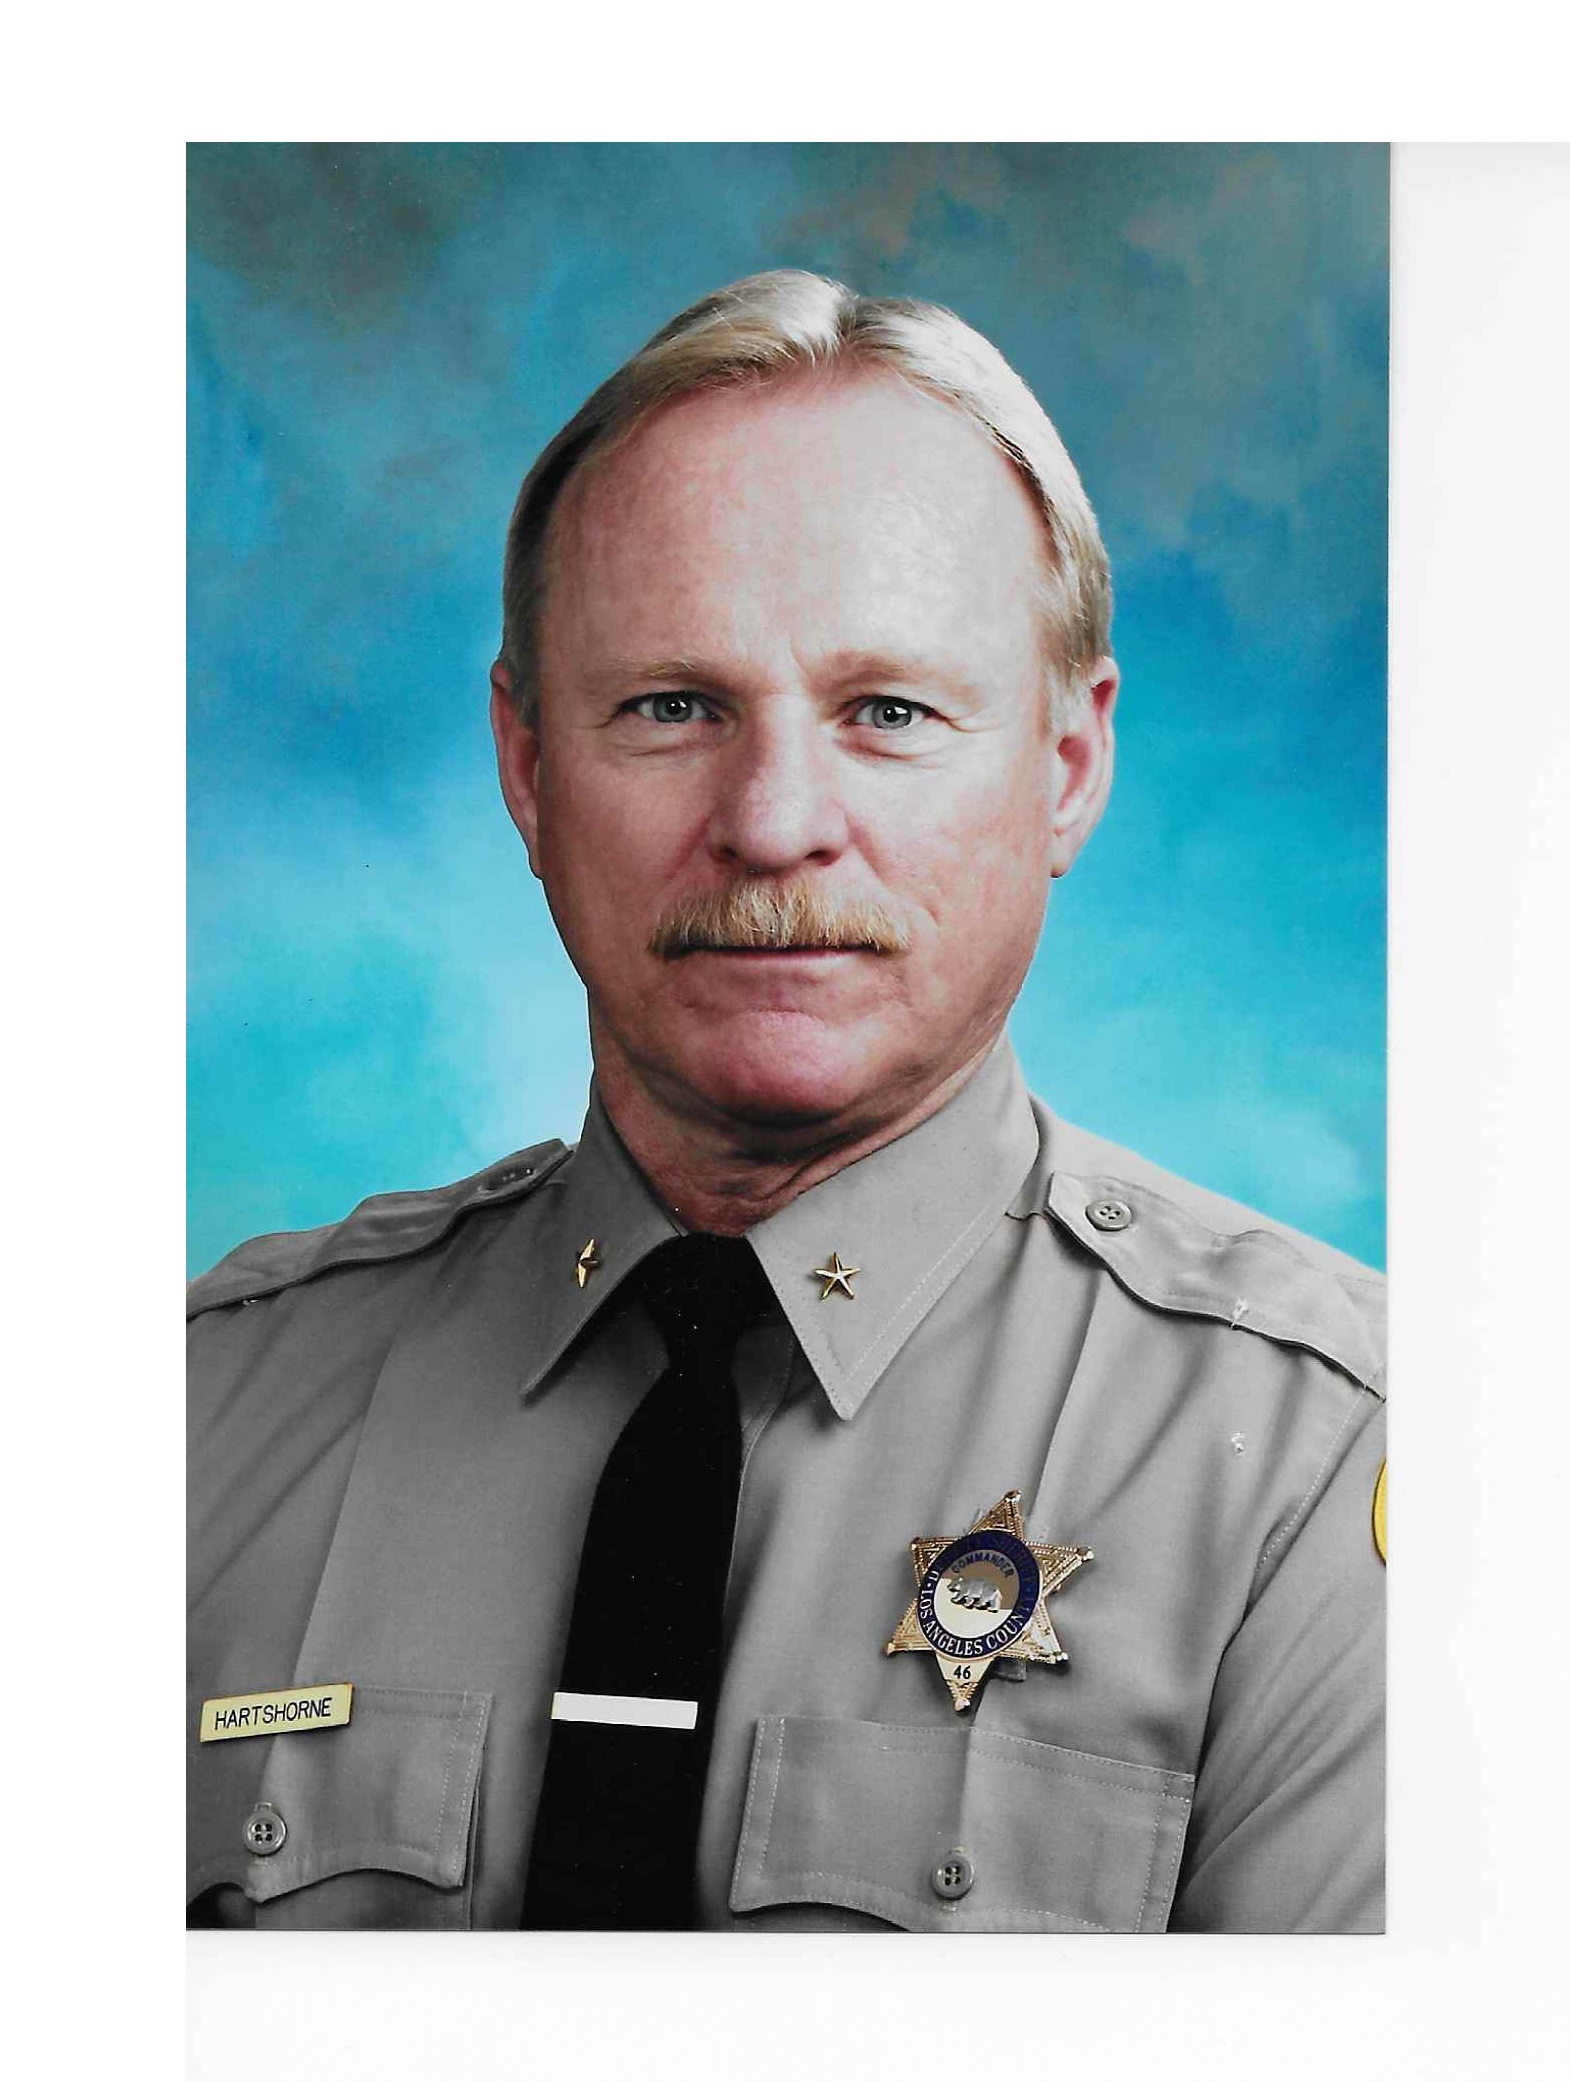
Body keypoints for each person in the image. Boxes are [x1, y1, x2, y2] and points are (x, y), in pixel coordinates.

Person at [187, 270, 1384, 1933]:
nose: (771, 821)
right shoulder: (195, 1414)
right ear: (527, 768)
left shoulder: (1328, 1461)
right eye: (671, 707)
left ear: (1067, 768)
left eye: (887, 712)